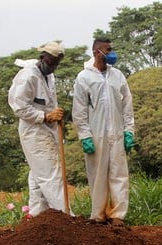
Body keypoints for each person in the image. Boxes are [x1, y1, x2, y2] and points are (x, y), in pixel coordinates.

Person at [72, 38, 135, 225]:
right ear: (96, 52)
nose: (112, 53)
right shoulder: (84, 77)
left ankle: (117, 216)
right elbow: (79, 110)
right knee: (97, 175)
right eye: (108, 50)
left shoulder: (118, 76)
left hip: (117, 133)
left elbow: (127, 105)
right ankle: (98, 215)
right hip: (96, 135)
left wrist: (129, 131)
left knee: (119, 174)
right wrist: (84, 136)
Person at [8, 41, 71, 216]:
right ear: (43, 57)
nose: (53, 67)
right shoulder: (28, 76)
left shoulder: (49, 77)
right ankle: (66, 217)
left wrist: (55, 117)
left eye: (57, 64)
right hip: (34, 132)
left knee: (37, 176)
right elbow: (19, 107)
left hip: (49, 129)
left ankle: (37, 216)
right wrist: (44, 116)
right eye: (52, 63)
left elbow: (49, 103)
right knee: (51, 174)